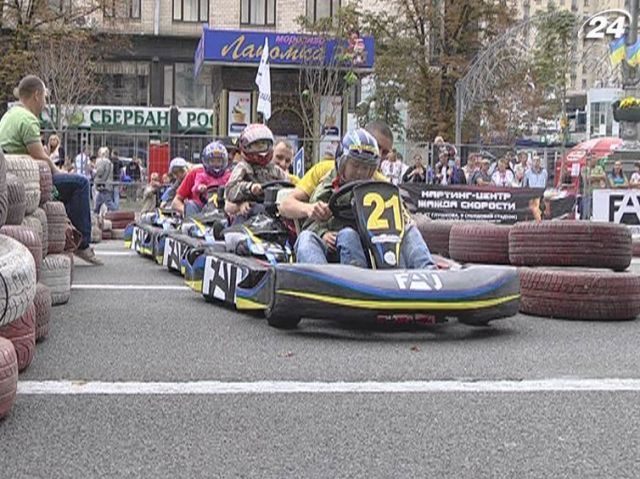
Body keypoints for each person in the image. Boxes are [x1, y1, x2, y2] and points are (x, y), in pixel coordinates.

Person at [288, 128, 434, 269]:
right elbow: (309, 222)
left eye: (366, 167)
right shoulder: (327, 184)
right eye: (355, 165)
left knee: (409, 229)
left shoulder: (380, 186)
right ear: (342, 163)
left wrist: (406, 221)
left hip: (374, 248)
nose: (360, 172)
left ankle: (428, 272)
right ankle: (324, 284)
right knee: (311, 237)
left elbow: (401, 218)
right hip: (335, 249)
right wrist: (322, 233)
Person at [0, 75, 102, 264]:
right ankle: (82, 244)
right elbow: (40, 157)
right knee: (80, 183)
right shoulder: (28, 119)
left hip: (9, 180)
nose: (46, 104)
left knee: (66, 189)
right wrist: (59, 171)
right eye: (46, 98)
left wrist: (49, 152)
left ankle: (65, 234)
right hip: (29, 184)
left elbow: (30, 152)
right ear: (37, 95)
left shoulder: (9, 116)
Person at [279, 121, 394, 222]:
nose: (379, 154)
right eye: (377, 146)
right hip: (325, 239)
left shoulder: (382, 184)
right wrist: (310, 209)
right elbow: (285, 205)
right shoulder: (323, 170)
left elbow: (403, 218)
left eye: (384, 152)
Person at [224, 124, 288, 223]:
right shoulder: (243, 167)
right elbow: (230, 191)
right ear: (246, 146)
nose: (262, 150)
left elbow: (288, 186)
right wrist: (250, 188)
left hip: (274, 211)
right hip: (249, 212)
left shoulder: (276, 170)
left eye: (264, 144)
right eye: (257, 146)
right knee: (256, 209)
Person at [172, 141, 231, 217]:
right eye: (212, 161)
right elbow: (176, 202)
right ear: (206, 161)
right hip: (200, 216)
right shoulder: (195, 173)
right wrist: (186, 212)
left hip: (224, 212)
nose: (216, 164)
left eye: (219, 161)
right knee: (190, 205)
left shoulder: (230, 176)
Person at [93, 146, 116, 214]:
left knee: (108, 202)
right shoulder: (109, 162)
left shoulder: (103, 161)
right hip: (107, 184)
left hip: (102, 184)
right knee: (98, 200)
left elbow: (100, 172)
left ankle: (117, 212)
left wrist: (94, 171)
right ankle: (95, 212)